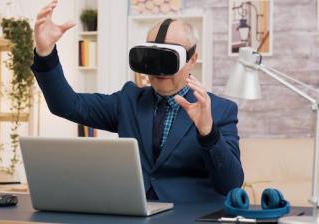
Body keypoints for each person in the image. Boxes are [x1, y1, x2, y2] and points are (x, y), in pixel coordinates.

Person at [31, 0, 244, 202]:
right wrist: (45, 52)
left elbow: (230, 184)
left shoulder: (220, 110)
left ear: (192, 60)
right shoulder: (129, 101)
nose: (159, 69)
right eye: (153, 57)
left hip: (190, 217)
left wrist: (208, 132)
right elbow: (68, 105)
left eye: (168, 58)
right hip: (136, 212)